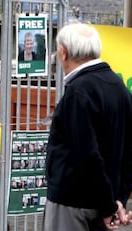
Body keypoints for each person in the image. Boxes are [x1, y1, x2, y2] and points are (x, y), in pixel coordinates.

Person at [43, 23, 132, 231]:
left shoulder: (79, 92)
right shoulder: (119, 87)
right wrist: (117, 199)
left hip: (72, 203)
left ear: (63, 53)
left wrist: (108, 204)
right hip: (103, 203)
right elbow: (128, 152)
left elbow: (84, 154)